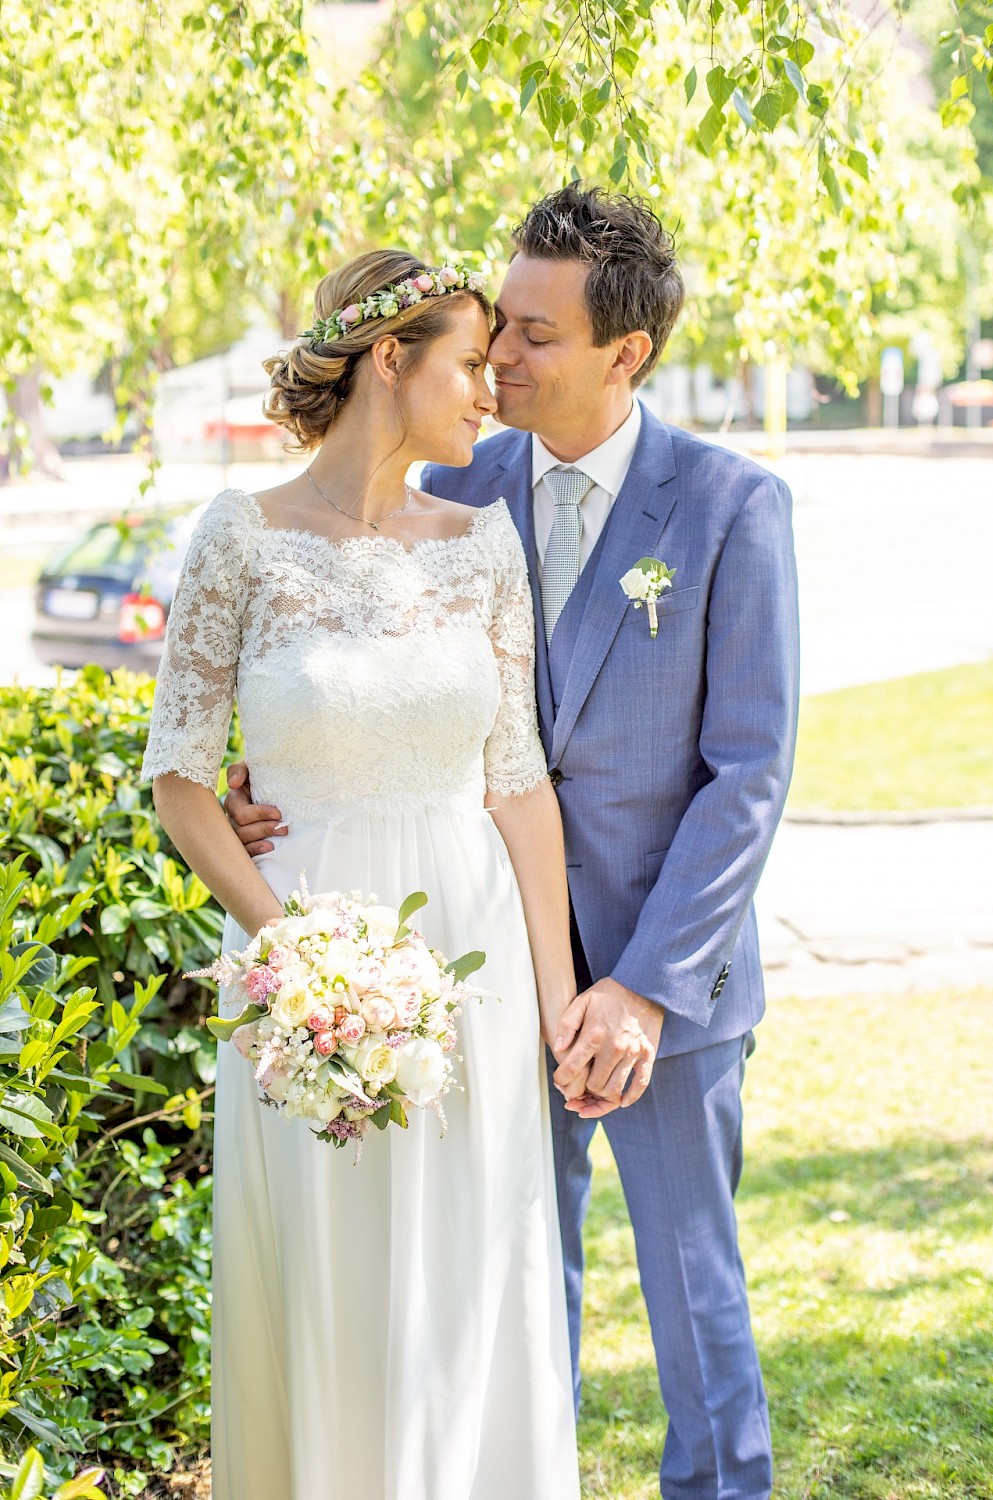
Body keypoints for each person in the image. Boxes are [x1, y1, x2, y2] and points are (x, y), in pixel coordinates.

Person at [228, 186, 800, 1498]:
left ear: (626, 354)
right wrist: (278, 760)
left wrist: (643, 991)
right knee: (502, 1283)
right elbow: (351, 654)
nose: (500, 361)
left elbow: (747, 776)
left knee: (692, 1285)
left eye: (535, 336)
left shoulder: (728, 510)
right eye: (497, 331)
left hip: (661, 990)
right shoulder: (449, 477)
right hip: (478, 970)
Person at [141, 249, 582, 1500]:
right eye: (467, 366)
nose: (490, 393)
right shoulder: (240, 537)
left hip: (471, 953)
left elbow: (517, 782)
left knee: (464, 1273)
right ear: (389, 361)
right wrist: (293, 953)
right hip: (302, 960)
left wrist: (555, 1004)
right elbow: (180, 775)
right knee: (329, 1272)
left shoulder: (484, 541)